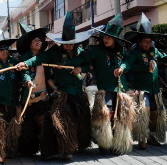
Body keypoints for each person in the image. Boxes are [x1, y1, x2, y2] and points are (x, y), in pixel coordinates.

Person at [49, 13, 135, 155]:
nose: (106, 39)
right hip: (104, 88)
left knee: (121, 116)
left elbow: (129, 61)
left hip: (121, 88)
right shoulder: (96, 50)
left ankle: (119, 144)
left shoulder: (122, 51)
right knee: (105, 116)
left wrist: (122, 68)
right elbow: (82, 59)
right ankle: (104, 143)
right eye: (105, 36)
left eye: (109, 37)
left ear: (115, 40)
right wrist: (65, 64)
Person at [15, 11, 92, 159]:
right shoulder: (54, 53)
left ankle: (78, 143)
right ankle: (65, 148)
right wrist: (25, 63)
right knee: (63, 121)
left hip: (78, 92)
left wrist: (81, 68)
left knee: (81, 117)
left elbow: (88, 65)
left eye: (71, 44)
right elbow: (39, 59)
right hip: (62, 93)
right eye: (65, 45)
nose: (68, 47)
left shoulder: (81, 52)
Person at [114, 12, 167, 149]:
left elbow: (164, 57)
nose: (148, 44)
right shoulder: (134, 53)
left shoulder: (154, 51)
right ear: (139, 41)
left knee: (156, 113)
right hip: (141, 90)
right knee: (144, 112)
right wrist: (121, 68)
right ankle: (142, 137)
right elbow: (128, 63)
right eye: (145, 42)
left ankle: (151, 136)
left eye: (150, 42)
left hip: (154, 89)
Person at [16, 23, 58, 159]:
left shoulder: (44, 56)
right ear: (29, 44)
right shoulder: (24, 57)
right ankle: (28, 150)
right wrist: (27, 81)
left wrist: (53, 87)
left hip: (43, 95)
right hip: (29, 95)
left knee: (43, 122)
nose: (39, 42)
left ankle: (46, 150)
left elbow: (43, 68)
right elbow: (24, 73)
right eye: (35, 40)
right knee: (28, 123)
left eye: (40, 40)